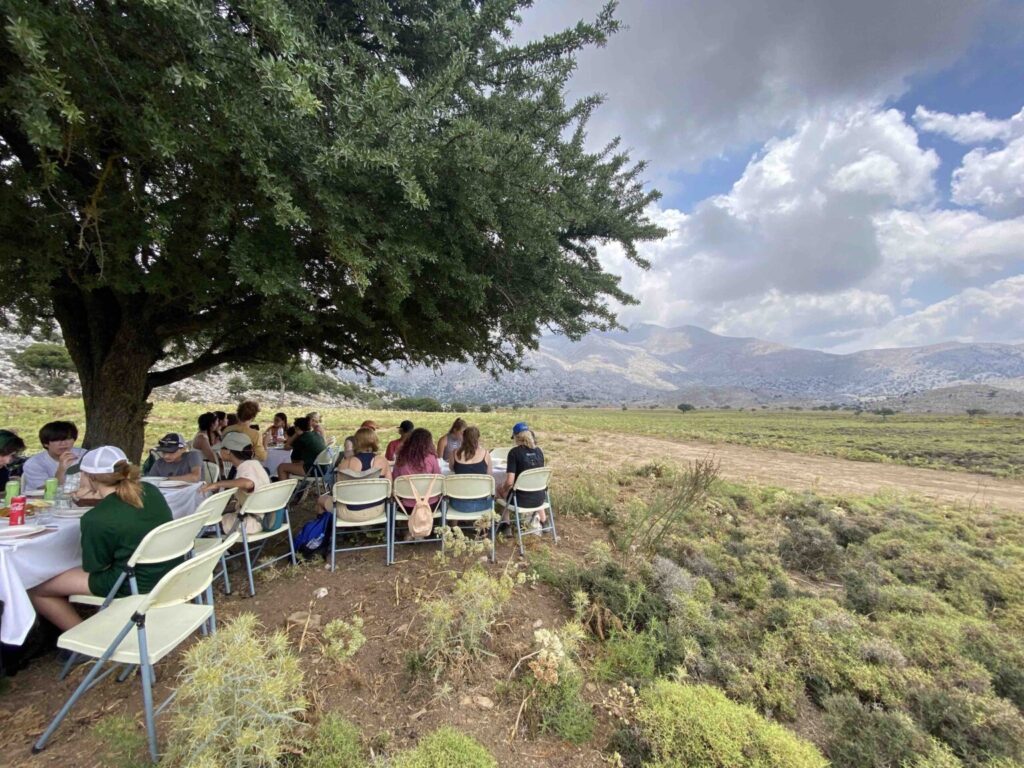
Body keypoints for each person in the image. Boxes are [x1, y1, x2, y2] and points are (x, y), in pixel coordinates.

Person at [27, 447, 177, 631]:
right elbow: (122, 508)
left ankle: (80, 637)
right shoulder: (149, 490)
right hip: (168, 570)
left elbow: (96, 567)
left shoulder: (96, 518)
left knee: (35, 587)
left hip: (133, 581)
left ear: (88, 476)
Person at [201, 431, 272, 534]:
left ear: (227, 451)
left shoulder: (247, 468)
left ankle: (218, 549)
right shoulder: (254, 464)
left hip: (249, 522)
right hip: (261, 517)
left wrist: (217, 484)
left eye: (221, 449)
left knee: (199, 528)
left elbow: (248, 483)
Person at [318, 426, 391, 519]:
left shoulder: (345, 463)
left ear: (356, 442)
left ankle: (322, 530)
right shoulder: (383, 462)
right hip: (377, 510)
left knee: (321, 499)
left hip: (350, 512)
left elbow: (338, 492)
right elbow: (389, 490)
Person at [499, 422, 546, 526]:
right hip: (540, 499)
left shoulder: (514, 453)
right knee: (535, 488)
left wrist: (502, 488)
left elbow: (510, 481)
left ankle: (506, 525)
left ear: (516, 437)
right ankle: (544, 521)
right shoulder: (539, 451)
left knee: (500, 490)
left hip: (521, 500)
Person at [19, 421, 87, 492]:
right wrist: (61, 469)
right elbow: (47, 491)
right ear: (45, 444)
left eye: (68, 439)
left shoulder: (84, 455)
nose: (63, 443)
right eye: (57, 440)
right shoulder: (33, 463)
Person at [393, 428, 441, 512]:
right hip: (429, 505)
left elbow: (395, 480)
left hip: (406, 506)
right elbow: (439, 479)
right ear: (428, 443)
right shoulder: (431, 458)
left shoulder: (401, 458)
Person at [449, 426, 494, 514]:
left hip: (458, 504)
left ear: (463, 437)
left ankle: (454, 525)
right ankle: (484, 525)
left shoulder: (454, 453)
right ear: (478, 438)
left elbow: (451, 468)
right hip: (482, 503)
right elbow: (490, 476)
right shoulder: (485, 453)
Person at [276, 417, 327, 481]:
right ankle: (296, 487)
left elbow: (286, 447)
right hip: (325, 469)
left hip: (314, 470)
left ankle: (285, 490)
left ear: (297, 428)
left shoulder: (303, 438)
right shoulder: (316, 435)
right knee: (294, 464)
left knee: (281, 467)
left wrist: (296, 434)